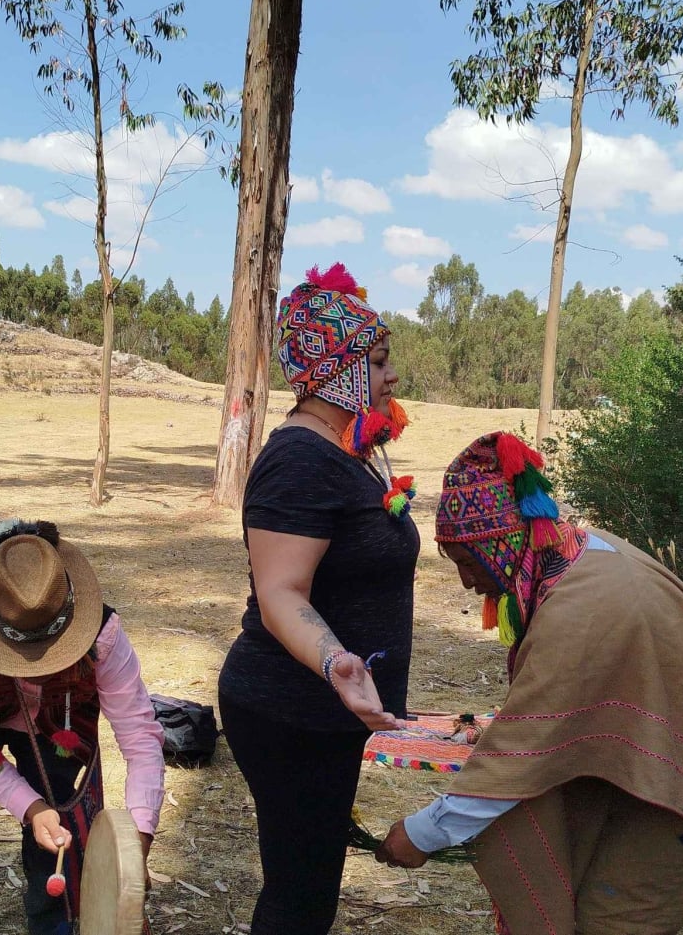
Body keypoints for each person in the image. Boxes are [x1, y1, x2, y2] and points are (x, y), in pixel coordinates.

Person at [374, 432, 683, 935]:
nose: (468, 583)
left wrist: (423, 834)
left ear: (502, 542)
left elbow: (517, 760)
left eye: (469, 563)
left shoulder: (579, 608)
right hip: (667, 754)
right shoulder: (578, 553)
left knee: (613, 920)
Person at [217, 263, 421, 935]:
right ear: (335, 369)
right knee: (299, 902)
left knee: (308, 892)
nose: (393, 376)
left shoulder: (344, 453)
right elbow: (280, 593)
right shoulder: (299, 460)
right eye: (380, 360)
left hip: (324, 718)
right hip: (288, 713)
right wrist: (338, 661)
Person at [0, 518, 165, 935]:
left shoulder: (103, 635)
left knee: (65, 815)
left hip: (59, 716)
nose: (33, 665)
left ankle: (55, 923)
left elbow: (140, 738)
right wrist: (30, 809)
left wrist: (137, 842)